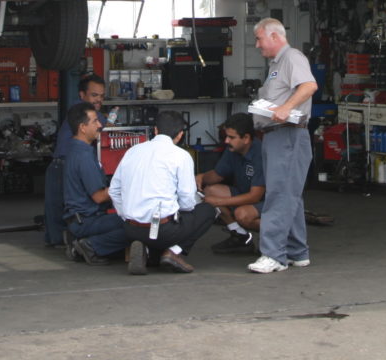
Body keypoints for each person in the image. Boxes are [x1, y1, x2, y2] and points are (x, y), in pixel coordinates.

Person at [247, 17, 318, 274]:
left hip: (288, 134)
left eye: (259, 38)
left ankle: (273, 255)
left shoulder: (292, 58)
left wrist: (286, 107)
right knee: (290, 194)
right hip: (278, 135)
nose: (257, 45)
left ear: (275, 36)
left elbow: (309, 85)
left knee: (279, 194)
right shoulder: (278, 64)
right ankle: (297, 252)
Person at [109, 110, 217, 275]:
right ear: (180, 135)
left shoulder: (132, 151)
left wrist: (126, 215)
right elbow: (187, 200)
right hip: (163, 230)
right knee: (208, 210)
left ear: (155, 130)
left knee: (158, 230)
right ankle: (173, 252)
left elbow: (114, 190)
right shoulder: (181, 156)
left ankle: (145, 248)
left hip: (130, 228)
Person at [60, 101, 129, 265]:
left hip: (80, 219)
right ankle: (90, 246)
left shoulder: (76, 149)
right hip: (86, 220)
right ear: (83, 128)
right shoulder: (83, 156)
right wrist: (128, 188)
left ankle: (80, 240)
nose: (100, 125)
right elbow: (98, 196)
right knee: (136, 225)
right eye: (95, 121)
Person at [44, 74, 107, 247]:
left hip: (60, 164)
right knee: (62, 207)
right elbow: (104, 129)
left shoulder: (81, 111)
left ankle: (59, 241)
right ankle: (67, 242)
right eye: (94, 95)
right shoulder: (85, 113)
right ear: (82, 95)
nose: (98, 100)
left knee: (57, 208)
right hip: (62, 165)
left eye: (102, 96)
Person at [196, 112, 265, 255]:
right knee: (210, 190)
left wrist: (219, 201)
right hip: (244, 195)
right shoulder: (232, 149)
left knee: (243, 214)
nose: (226, 141)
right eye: (226, 136)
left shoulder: (260, 153)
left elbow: (255, 197)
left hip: (268, 202)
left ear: (246, 138)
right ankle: (240, 236)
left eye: (231, 137)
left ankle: (278, 237)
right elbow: (216, 176)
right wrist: (201, 177)